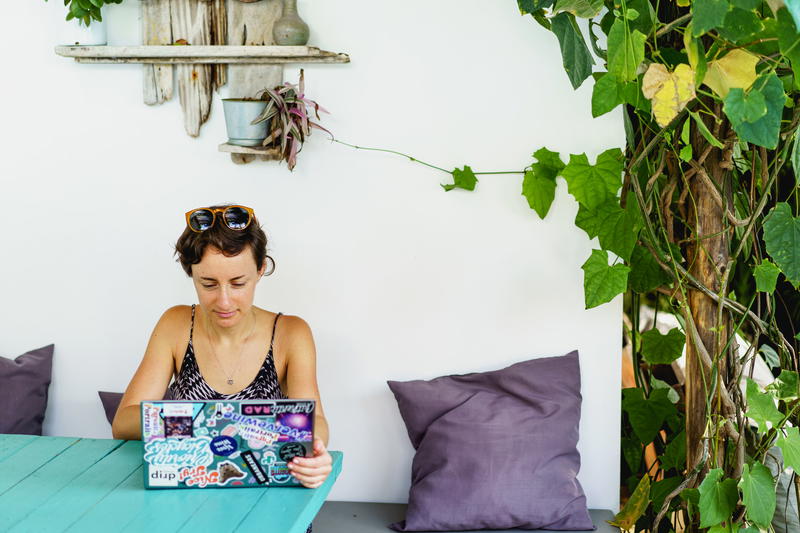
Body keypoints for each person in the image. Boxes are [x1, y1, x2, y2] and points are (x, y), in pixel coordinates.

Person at [112, 204, 332, 489]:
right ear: (191, 273)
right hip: (189, 492)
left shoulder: (291, 332)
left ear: (261, 269)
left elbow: (316, 422)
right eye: (209, 284)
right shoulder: (175, 324)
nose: (224, 301)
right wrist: (214, 424)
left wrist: (316, 456)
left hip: (267, 494)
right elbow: (124, 422)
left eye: (238, 283)